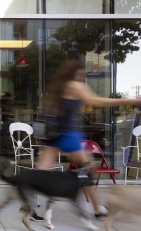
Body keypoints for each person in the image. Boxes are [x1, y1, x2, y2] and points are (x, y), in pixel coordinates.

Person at [36, 60, 141, 219]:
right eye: (82, 71)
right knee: (87, 172)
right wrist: (129, 101)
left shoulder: (57, 87)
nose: (83, 74)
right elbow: (97, 101)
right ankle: (98, 210)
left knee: (41, 173)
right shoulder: (75, 85)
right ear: (76, 72)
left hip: (52, 134)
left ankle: (27, 207)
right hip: (69, 135)